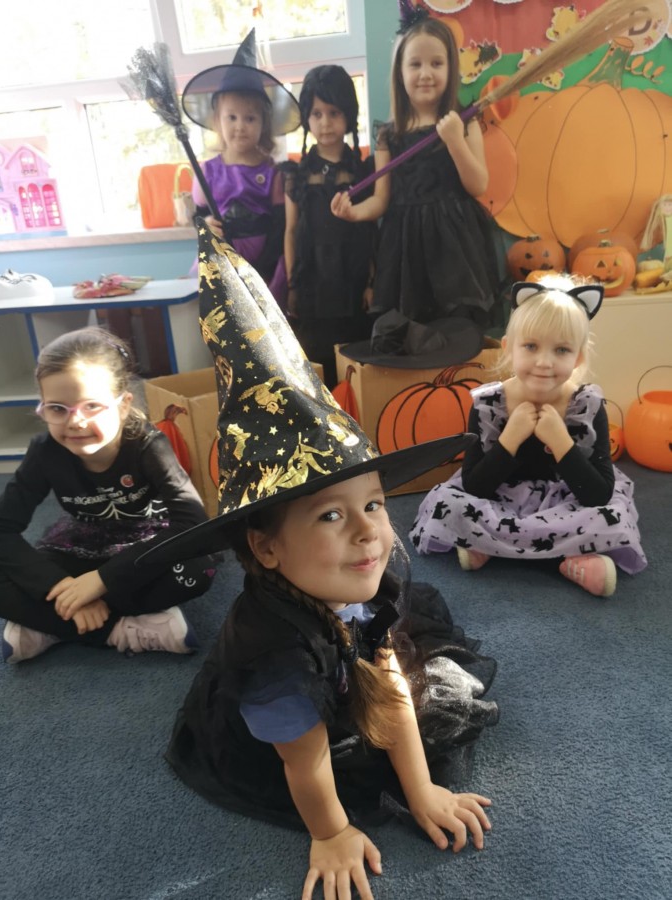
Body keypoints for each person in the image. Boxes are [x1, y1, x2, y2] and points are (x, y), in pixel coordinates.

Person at [138, 224, 498, 900]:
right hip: (286, 715)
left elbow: (387, 675)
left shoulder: (358, 583)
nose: (368, 533)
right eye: (331, 515)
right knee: (321, 747)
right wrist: (331, 832)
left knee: (415, 677)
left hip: (331, 654)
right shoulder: (273, 654)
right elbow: (305, 768)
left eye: (373, 504)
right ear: (265, 546)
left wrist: (422, 788)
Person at [410, 277, 648, 598]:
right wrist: (510, 437)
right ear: (509, 347)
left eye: (561, 350)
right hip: (499, 497)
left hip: (566, 501)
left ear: (578, 358)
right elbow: (475, 485)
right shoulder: (488, 405)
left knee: (612, 515)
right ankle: (563, 555)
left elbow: (598, 494)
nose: (544, 362)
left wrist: (561, 442)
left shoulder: (587, 406)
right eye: (531, 346)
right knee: (448, 504)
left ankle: (496, 547)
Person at [0, 327, 217, 664]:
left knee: (199, 570)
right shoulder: (44, 452)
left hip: (143, 546)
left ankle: (50, 626)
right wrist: (58, 586)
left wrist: (102, 581)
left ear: (124, 405)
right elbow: (2, 528)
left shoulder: (148, 445)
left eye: (92, 406)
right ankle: (120, 630)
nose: (75, 422)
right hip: (79, 547)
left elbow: (193, 524)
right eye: (57, 409)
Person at [330, 11, 502, 331]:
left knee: (457, 330)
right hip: (405, 249)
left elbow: (478, 185)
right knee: (412, 334)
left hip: (455, 247)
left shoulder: (464, 122)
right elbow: (380, 200)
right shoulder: (389, 135)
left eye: (436, 63)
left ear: (451, 68)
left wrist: (455, 140)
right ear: (400, 72)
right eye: (415, 64)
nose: (425, 74)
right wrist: (354, 213)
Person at [182, 28, 300, 302]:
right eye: (231, 117)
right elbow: (199, 217)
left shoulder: (272, 173)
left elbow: (279, 227)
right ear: (218, 121)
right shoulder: (207, 172)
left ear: (263, 124)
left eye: (250, 118)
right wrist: (206, 226)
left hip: (263, 268)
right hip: (221, 264)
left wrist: (264, 269)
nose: (240, 126)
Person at [282, 64, 376, 388]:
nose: (325, 122)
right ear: (306, 118)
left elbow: (371, 230)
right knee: (317, 361)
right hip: (312, 282)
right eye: (317, 113)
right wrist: (292, 285)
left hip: (353, 280)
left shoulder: (363, 171)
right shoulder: (296, 174)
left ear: (349, 114)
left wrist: (372, 281)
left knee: (355, 363)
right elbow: (290, 230)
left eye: (334, 113)